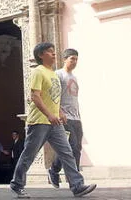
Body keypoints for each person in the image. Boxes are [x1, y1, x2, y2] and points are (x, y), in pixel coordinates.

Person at [9, 43, 96, 198]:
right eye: (50, 52)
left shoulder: (54, 74)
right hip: (39, 122)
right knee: (29, 154)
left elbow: (54, 98)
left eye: (54, 52)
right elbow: (35, 96)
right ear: (41, 55)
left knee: (67, 152)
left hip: (55, 123)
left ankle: (77, 186)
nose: (54, 54)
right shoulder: (38, 71)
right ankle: (17, 184)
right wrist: (49, 114)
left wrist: (60, 112)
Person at [48, 48, 83, 188]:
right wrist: (59, 112)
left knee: (76, 148)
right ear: (64, 59)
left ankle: (54, 170)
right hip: (63, 118)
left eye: (76, 59)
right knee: (71, 147)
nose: (74, 62)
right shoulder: (58, 75)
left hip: (76, 118)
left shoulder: (74, 77)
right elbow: (52, 96)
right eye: (72, 59)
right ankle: (75, 181)